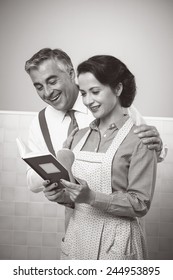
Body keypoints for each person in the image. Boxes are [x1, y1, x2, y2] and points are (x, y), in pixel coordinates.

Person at [54, 55, 157, 259]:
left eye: (95, 91)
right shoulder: (77, 136)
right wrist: (61, 195)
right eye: (83, 93)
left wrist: (92, 197)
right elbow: (75, 196)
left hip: (117, 243)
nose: (88, 101)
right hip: (77, 237)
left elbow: (140, 204)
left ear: (117, 89)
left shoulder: (141, 139)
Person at [25, 48, 164, 198]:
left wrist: (157, 146)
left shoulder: (109, 105)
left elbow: (155, 154)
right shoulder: (39, 123)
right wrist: (57, 166)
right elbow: (32, 184)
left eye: (52, 82)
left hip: (120, 214)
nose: (47, 92)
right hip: (74, 216)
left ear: (71, 74)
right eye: (39, 87)